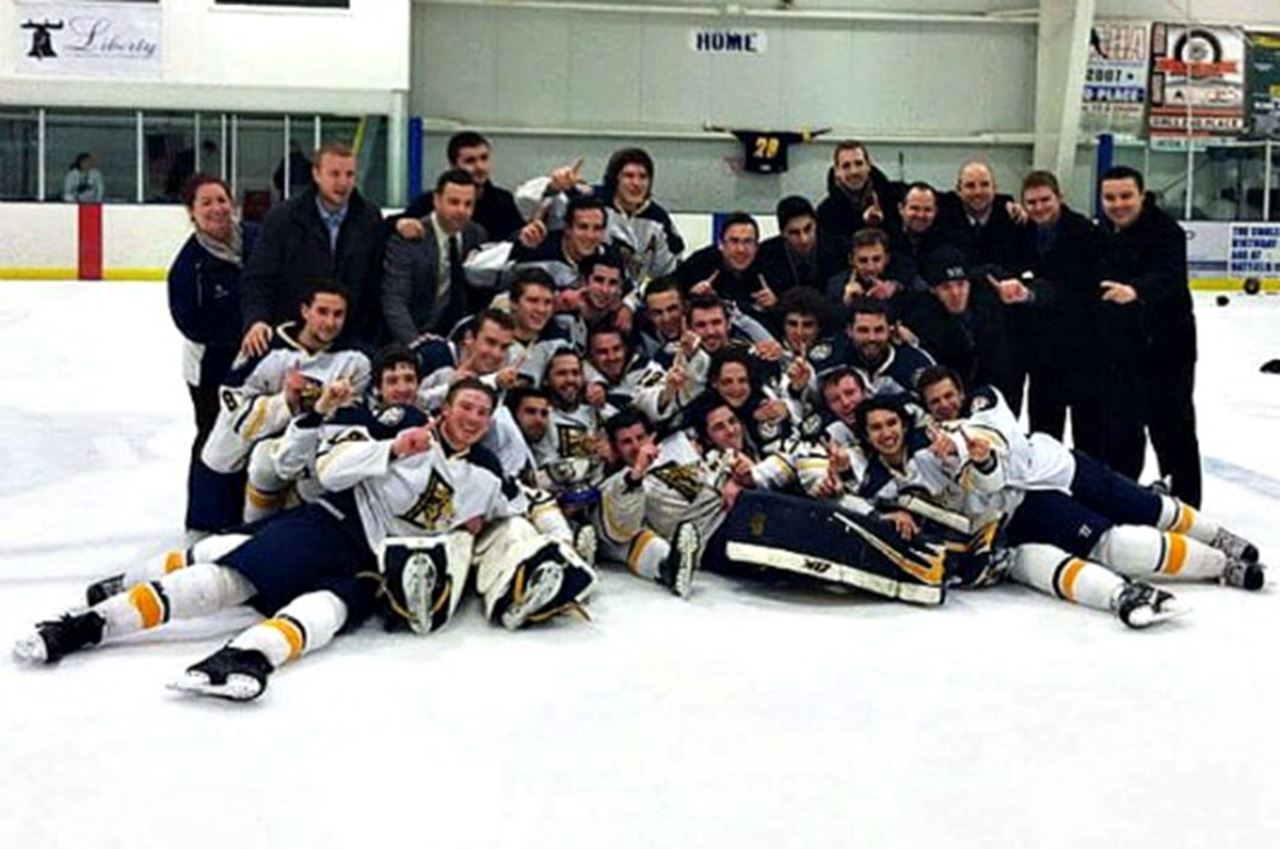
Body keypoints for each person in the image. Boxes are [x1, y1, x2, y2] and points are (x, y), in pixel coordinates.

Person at [14, 380, 593, 701]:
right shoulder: (396, 426)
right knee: (223, 577)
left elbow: (519, 504)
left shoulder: (488, 472)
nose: (473, 418)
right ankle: (86, 624)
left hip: (378, 566)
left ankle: (246, 658)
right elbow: (332, 468)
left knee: (326, 612)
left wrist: (561, 543)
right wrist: (391, 450)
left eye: (483, 413)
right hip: (333, 524)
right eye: (466, 407)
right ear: (445, 408)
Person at [915, 367, 1264, 591]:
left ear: (961, 393)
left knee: (1149, 506)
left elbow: (982, 434)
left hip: (1066, 468)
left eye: (949, 396)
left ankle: (1220, 538)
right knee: (1111, 545)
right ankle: (1222, 566)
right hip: (1029, 504)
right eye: (935, 402)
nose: (945, 404)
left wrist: (956, 443)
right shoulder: (929, 451)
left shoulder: (986, 400)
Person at [1096, 165, 1202, 505]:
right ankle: (1126, 504)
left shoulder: (1166, 232)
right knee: (1122, 436)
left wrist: (1136, 291)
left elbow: (1168, 278)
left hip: (1166, 354)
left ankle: (1188, 507)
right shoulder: (1103, 233)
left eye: (1126, 196)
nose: (1118, 204)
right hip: (1122, 355)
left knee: (1173, 433)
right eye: (1110, 197)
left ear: (1141, 195)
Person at [167, 174, 259, 536]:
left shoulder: (255, 238)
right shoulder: (189, 267)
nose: (217, 208)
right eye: (206, 203)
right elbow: (190, 323)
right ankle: (202, 520)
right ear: (191, 213)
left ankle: (244, 513)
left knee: (254, 434)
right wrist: (244, 335)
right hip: (211, 368)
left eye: (221, 200)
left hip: (260, 359)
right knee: (212, 437)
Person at [240, 142, 384, 354]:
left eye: (349, 174)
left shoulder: (369, 218)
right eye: (334, 174)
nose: (343, 182)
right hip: (293, 337)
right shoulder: (283, 218)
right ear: (316, 174)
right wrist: (257, 319)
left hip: (351, 339)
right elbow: (259, 277)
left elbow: (375, 283)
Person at [1010, 170, 1108, 451]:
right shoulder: (1021, 232)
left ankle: (1088, 491)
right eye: (1031, 202)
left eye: (1045, 200)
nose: (1039, 207)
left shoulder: (1085, 232)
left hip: (1082, 352)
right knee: (1043, 433)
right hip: (1041, 355)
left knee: (1088, 434)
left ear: (1059, 197)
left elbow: (1087, 289)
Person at [382, 168, 486, 342]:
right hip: (408, 335)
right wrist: (415, 344)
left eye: (468, 204)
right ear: (437, 200)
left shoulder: (476, 234)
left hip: (456, 337)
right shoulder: (410, 237)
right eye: (454, 202)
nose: (461, 210)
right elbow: (394, 300)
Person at [396, 131, 525, 241]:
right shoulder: (429, 202)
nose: (480, 167)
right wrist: (401, 225)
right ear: (453, 165)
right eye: (470, 161)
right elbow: (393, 225)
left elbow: (517, 237)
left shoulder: (503, 201)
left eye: (484, 158)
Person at [756, 196, 846, 296]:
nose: (804, 239)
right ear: (783, 233)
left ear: (816, 224)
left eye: (808, 229)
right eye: (794, 233)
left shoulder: (838, 250)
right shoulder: (766, 255)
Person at [815, 140, 900, 242]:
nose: (854, 171)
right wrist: (864, 224)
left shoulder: (893, 198)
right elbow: (834, 252)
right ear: (837, 171)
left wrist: (882, 223)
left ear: (868, 165)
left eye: (859, 163)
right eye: (846, 166)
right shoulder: (826, 212)